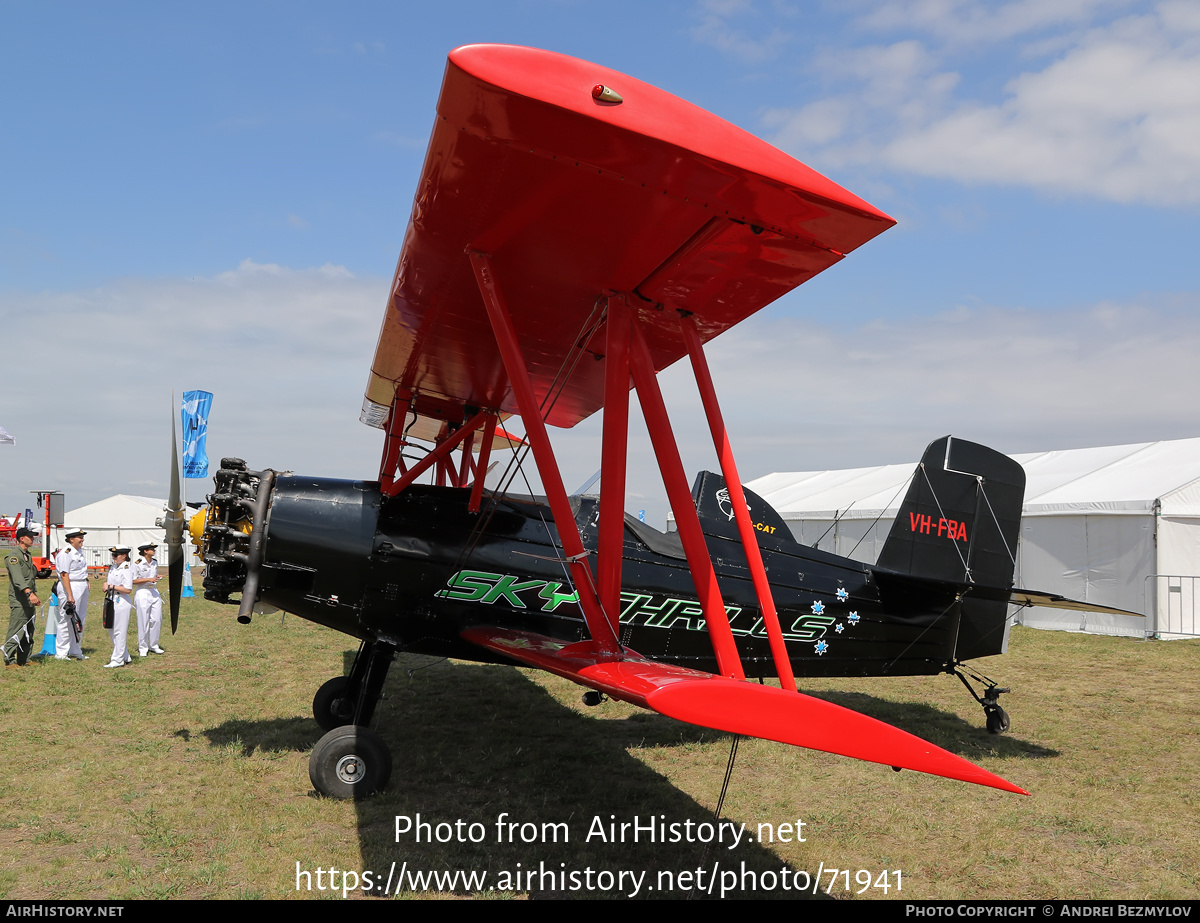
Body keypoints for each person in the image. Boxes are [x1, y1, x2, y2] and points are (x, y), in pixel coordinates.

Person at [4, 528, 41, 667]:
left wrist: (33, 593)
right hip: (20, 599)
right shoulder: (13, 557)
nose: (33, 539)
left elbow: (30, 578)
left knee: (28, 629)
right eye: (30, 536)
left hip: (29, 598)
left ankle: (24, 658)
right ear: (21, 539)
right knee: (17, 628)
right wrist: (29, 593)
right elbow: (18, 579)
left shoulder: (27, 555)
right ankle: (9, 659)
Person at [55, 529, 89, 660]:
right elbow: (64, 574)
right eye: (79, 537)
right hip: (70, 585)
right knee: (66, 618)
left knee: (80, 618)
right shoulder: (66, 553)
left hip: (81, 584)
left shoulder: (78, 552)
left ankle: (75, 649)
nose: (82, 539)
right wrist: (69, 595)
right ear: (71, 539)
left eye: (82, 537)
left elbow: (81, 570)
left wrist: (86, 581)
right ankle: (61, 652)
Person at [102, 546, 134, 668]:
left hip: (121, 600)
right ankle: (124, 655)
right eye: (113, 555)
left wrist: (111, 586)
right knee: (111, 628)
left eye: (116, 555)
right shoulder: (114, 567)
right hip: (112, 598)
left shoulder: (126, 568)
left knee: (119, 630)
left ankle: (118, 659)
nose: (114, 558)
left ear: (124, 556)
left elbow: (127, 589)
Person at [132, 543, 165, 656]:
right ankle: (143, 647)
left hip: (153, 590)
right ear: (145, 551)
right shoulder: (137, 563)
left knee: (156, 619)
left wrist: (156, 578)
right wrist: (148, 579)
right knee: (143, 620)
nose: (153, 550)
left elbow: (153, 576)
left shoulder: (154, 562)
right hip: (142, 591)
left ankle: (153, 645)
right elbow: (133, 580)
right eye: (151, 549)